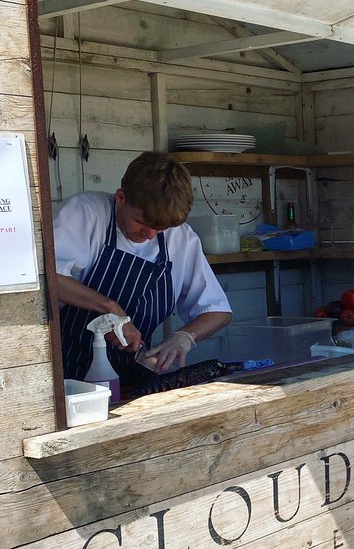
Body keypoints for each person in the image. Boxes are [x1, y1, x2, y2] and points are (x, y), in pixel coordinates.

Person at [54, 152, 233, 385]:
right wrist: (109, 308)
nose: (149, 235)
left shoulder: (181, 240)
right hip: (69, 376)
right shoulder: (87, 213)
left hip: (134, 378)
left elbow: (218, 311)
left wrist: (184, 336)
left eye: (160, 229)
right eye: (142, 223)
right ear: (121, 198)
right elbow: (49, 279)